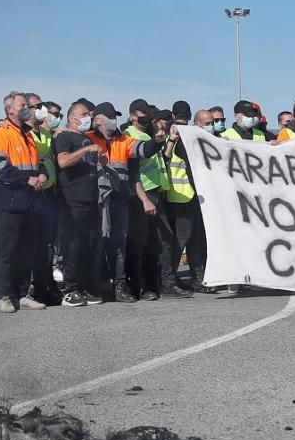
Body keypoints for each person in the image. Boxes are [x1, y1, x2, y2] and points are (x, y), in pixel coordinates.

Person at [0, 91, 47, 313]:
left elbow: (38, 162)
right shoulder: (0, 134)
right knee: (7, 252)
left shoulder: (28, 135)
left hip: (30, 203)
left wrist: (42, 174)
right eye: (23, 105)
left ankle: (23, 294)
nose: (27, 109)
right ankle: (4, 295)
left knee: (26, 251)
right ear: (10, 110)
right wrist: (27, 179)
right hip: (9, 202)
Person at [124, 100, 180, 299]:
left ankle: (156, 284)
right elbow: (133, 173)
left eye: (149, 112)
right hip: (142, 195)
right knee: (142, 243)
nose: (147, 116)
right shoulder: (129, 136)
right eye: (143, 113)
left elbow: (161, 159)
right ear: (133, 115)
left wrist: (169, 141)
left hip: (155, 193)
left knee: (157, 241)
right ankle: (140, 286)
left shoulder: (148, 135)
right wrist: (144, 200)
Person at [53, 101, 103, 306]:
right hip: (72, 200)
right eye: (83, 114)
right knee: (72, 247)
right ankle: (70, 289)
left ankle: (85, 287)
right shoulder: (65, 136)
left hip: (90, 199)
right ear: (72, 118)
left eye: (89, 114)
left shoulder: (85, 138)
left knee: (88, 246)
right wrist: (86, 149)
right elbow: (63, 161)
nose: (88, 117)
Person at [87, 102, 137, 302]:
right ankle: (97, 286)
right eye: (110, 116)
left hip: (120, 200)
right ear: (98, 120)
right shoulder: (87, 138)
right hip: (96, 203)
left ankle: (119, 286)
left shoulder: (123, 139)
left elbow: (143, 149)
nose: (114, 120)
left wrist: (158, 141)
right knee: (96, 245)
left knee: (119, 246)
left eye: (115, 117)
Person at [168, 107, 211, 292]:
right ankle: (169, 280)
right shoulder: (182, 139)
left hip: (193, 198)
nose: (211, 126)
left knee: (195, 240)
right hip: (182, 196)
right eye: (207, 124)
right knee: (181, 240)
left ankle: (197, 278)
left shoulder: (203, 140)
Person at [24, 92, 61, 305]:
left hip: (49, 193)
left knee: (47, 244)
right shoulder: (24, 133)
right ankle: (33, 286)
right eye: (37, 107)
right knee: (34, 244)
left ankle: (45, 283)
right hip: (32, 193)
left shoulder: (46, 134)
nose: (42, 110)